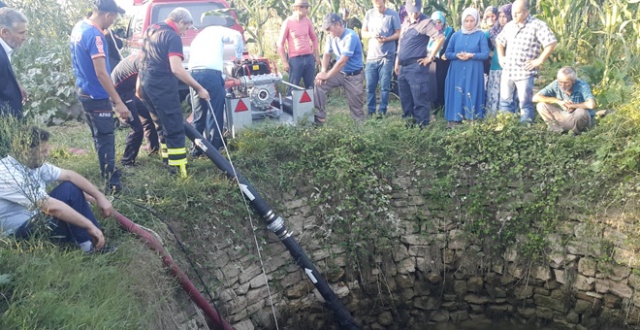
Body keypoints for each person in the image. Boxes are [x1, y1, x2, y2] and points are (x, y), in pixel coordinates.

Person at [0, 127, 112, 252]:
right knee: (63, 210)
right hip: (20, 233)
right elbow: (51, 207)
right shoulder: (7, 175)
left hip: (36, 217)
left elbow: (69, 175)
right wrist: (88, 225)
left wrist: (99, 196)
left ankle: (89, 243)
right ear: (26, 153)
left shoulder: (30, 164)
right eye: (43, 151)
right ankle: (90, 245)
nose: (47, 154)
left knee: (70, 188)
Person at [138, 8, 210, 177]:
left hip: (146, 83)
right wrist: (199, 88)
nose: (185, 33)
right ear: (180, 22)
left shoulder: (152, 29)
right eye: (186, 28)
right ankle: (179, 171)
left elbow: (141, 58)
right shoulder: (172, 36)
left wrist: (139, 86)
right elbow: (177, 69)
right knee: (175, 127)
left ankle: (167, 163)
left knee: (161, 126)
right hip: (161, 85)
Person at [70, 0, 131, 193]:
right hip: (96, 95)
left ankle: (108, 170)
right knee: (105, 137)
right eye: (113, 18)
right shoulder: (95, 36)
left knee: (99, 135)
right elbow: (101, 73)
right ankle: (112, 184)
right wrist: (118, 102)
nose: (112, 22)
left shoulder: (79, 27)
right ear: (108, 15)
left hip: (83, 91)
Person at [496, 0, 557, 124]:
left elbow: (551, 42)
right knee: (505, 102)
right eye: (513, 12)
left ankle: (526, 131)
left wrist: (539, 60)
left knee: (525, 104)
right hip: (508, 70)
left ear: (526, 12)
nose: (514, 15)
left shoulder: (537, 25)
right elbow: (499, 41)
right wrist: (501, 57)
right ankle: (505, 128)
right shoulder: (510, 25)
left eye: (517, 13)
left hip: (525, 72)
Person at [189, 22, 243, 154]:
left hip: (193, 75)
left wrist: (223, 77)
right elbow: (237, 36)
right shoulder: (219, 31)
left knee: (199, 114)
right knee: (215, 112)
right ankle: (214, 150)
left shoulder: (198, 38)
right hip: (211, 75)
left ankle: (195, 150)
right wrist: (238, 57)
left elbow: (204, 64)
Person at [394, 0, 444, 127]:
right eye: (412, 11)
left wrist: (430, 57)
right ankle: (409, 127)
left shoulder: (426, 22)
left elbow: (440, 38)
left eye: (417, 10)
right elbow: (401, 44)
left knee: (420, 100)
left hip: (416, 68)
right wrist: (397, 62)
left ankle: (422, 129)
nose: (415, 14)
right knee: (406, 100)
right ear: (407, 9)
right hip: (403, 67)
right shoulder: (405, 22)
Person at [314, 13, 365, 124]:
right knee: (319, 84)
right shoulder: (330, 37)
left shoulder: (350, 37)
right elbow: (327, 54)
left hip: (354, 76)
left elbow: (342, 61)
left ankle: (360, 130)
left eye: (329, 28)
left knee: (356, 107)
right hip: (340, 73)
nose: (327, 31)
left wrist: (327, 75)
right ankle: (319, 117)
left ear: (337, 25)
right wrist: (323, 72)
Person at [443, 8, 489, 126]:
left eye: (472, 20)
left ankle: (471, 119)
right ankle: (454, 119)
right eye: (466, 21)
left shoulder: (481, 35)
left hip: (473, 70)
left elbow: (485, 54)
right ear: (463, 21)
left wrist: (471, 55)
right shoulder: (455, 35)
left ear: (476, 21)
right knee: (457, 92)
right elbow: (447, 53)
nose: (469, 23)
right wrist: (456, 55)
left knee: (471, 91)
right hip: (456, 70)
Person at [111, 54, 159, 166]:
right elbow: (139, 91)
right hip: (118, 93)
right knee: (137, 129)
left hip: (129, 91)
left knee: (149, 118)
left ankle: (154, 151)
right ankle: (127, 161)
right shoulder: (146, 61)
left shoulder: (146, 54)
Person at [361, 0, 401, 118]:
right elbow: (363, 33)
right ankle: (371, 110)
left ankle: (382, 111)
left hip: (387, 56)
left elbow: (398, 33)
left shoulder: (392, 14)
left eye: (380, 3)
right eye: (375, 3)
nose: (377, 5)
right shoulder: (369, 14)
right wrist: (373, 34)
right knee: (370, 87)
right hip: (372, 56)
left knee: (385, 86)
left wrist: (387, 39)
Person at [533, 66, 595, 134]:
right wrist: (558, 101)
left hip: (583, 121)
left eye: (566, 83)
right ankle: (557, 132)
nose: (562, 85)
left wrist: (573, 106)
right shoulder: (556, 84)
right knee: (541, 105)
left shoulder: (582, 85)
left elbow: (591, 104)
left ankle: (577, 134)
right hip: (566, 117)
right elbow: (535, 97)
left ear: (573, 81)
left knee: (581, 112)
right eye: (560, 82)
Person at [277, 0, 320, 95]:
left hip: (309, 57)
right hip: (295, 59)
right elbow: (280, 43)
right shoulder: (288, 22)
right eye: (306, 8)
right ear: (299, 8)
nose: (307, 11)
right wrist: (284, 61)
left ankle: (312, 107)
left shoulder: (307, 21)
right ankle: (291, 108)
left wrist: (316, 55)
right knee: (293, 86)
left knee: (311, 86)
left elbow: (314, 38)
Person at [485, 4, 514, 115]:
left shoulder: (515, 30)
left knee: (507, 95)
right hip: (496, 65)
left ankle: (506, 119)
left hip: (511, 67)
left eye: (505, 16)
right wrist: (490, 53)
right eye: (500, 16)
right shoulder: (493, 31)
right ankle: (491, 118)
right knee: (493, 93)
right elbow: (482, 42)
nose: (502, 19)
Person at [0, 7, 27, 119]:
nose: (24, 38)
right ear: (5, 32)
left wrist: (15, 84)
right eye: (21, 33)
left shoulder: (4, 50)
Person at [428, 11, 454, 112]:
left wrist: (442, 53)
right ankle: (434, 108)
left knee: (442, 84)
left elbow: (451, 46)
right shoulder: (430, 33)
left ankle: (444, 107)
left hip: (444, 63)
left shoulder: (450, 31)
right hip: (432, 63)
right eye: (434, 22)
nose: (437, 25)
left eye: (439, 22)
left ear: (443, 22)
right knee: (432, 85)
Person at [481, 6, 497, 79]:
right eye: (488, 17)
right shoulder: (485, 33)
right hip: (488, 67)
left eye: (493, 16)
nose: (490, 19)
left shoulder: (504, 30)